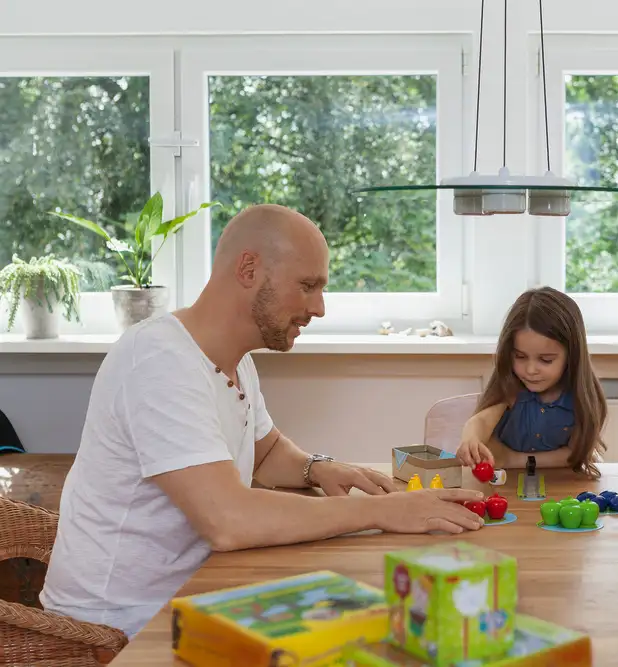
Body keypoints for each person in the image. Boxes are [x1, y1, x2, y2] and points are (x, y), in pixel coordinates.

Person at [39, 204, 485, 638]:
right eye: (308, 285)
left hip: (191, 594)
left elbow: (266, 450)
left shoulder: (233, 361)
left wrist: (320, 467)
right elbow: (227, 519)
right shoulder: (158, 360)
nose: (320, 308)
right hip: (118, 629)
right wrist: (379, 511)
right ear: (249, 270)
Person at [456, 286, 607, 478]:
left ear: (572, 355)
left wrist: (511, 459)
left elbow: (575, 456)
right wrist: (471, 438)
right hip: (505, 486)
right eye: (520, 356)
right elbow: (481, 420)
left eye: (546, 360)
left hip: (561, 486)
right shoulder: (511, 385)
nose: (530, 370)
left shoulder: (580, 398)